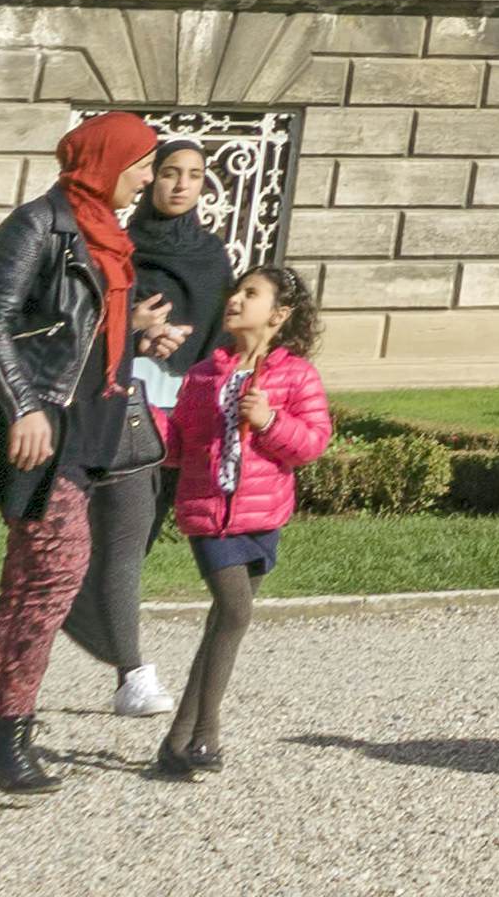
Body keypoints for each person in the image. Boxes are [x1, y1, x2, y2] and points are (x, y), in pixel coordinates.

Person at [0, 108, 165, 795]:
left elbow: (79, 328)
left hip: (92, 427)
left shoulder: (105, 233)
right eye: (143, 164)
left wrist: (137, 336)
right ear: (108, 162)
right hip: (47, 432)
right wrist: (25, 406)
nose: (149, 178)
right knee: (52, 579)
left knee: (26, 587)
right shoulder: (38, 224)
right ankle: (8, 733)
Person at [76, 140, 244, 723]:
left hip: (189, 407)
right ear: (149, 181)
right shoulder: (121, 246)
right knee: (124, 536)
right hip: (130, 400)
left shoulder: (212, 256)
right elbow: (92, 316)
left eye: (194, 176)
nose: (180, 185)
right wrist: (140, 337)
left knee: (138, 541)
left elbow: (222, 333)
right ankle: (132, 673)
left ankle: (71, 610)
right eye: (170, 173)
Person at [147, 263, 333, 781]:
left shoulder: (297, 376)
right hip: (209, 516)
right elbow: (180, 444)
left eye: (250, 294)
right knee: (234, 611)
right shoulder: (205, 373)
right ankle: (206, 734)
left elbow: (313, 442)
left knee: (220, 627)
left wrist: (269, 421)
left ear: (279, 315)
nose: (235, 299)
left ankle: (175, 742)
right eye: (236, 291)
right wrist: (145, 417)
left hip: (261, 515)